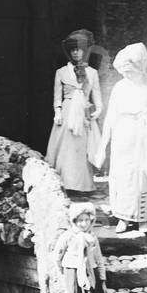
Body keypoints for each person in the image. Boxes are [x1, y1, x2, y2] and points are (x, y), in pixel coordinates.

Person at [94, 42, 147, 235]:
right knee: (123, 176)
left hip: (144, 135)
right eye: (124, 72)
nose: (126, 75)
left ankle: (142, 220)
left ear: (140, 68)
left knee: (142, 177)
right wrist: (104, 144)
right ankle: (122, 218)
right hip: (124, 135)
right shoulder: (120, 88)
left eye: (130, 71)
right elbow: (111, 116)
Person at [45, 29, 103, 192]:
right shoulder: (61, 72)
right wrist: (57, 112)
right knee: (65, 148)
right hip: (67, 112)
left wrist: (97, 110)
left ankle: (81, 185)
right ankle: (63, 184)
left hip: (83, 113)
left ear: (84, 52)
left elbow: (97, 95)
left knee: (81, 148)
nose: (76, 53)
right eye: (73, 50)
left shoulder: (92, 73)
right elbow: (57, 97)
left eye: (79, 50)